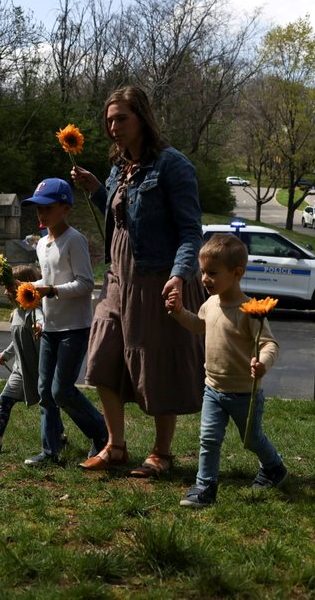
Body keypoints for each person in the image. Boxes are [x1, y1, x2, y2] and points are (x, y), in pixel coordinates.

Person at [70, 85, 205, 477]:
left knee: (156, 364)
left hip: (156, 280)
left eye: (121, 118)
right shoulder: (119, 167)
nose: (113, 127)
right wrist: (98, 188)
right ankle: (115, 446)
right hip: (118, 280)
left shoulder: (172, 165)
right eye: (109, 120)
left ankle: (161, 453)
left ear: (142, 117)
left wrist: (179, 275)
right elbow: (123, 219)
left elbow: (190, 231)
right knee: (102, 357)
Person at [166, 234, 287, 507]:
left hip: (245, 392)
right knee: (208, 439)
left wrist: (262, 362)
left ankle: (274, 467)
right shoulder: (210, 304)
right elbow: (199, 326)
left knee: (251, 438)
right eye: (203, 272)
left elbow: (270, 344)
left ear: (237, 273)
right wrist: (178, 312)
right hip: (213, 388)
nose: (205, 278)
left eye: (212, 273)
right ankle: (205, 488)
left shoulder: (250, 311)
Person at [21, 178, 107, 466]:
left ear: (66, 208)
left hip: (75, 328)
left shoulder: (75, 240)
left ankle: (102, 434)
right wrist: (28, 292)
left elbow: (85, 284)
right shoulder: (42, 244)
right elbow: (46, 282)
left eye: (47, 207)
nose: (41, 214)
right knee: (45, 391)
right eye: (37, 209)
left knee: (62, 391)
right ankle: (50, 451)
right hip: (50, 328)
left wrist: (52, 291)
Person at [0, 264, 56, 455]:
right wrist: (6, 354)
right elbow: (17, 341)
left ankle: (58, 435)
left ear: (24, 287)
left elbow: (40, 321)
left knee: (48, 404)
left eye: (9, 287)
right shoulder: (15, 314)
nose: (5, 292)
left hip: (39, 368)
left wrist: (40, 325)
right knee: (5, 399)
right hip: (20, 369)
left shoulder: (34, 311)